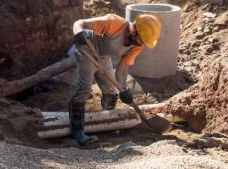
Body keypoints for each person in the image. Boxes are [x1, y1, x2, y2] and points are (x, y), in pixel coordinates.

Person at [69, 13, 162, 146]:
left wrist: (124, 89)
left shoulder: (137, 45)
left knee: (111, 92)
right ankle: (77, 131)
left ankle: (105, 121)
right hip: (87, 50)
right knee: (84, 89)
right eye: (142, 40)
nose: (142, 44)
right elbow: (79, 23)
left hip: (103, 56)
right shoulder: (114, 23)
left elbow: (122, 70)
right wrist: (79, 33)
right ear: (134, 30)